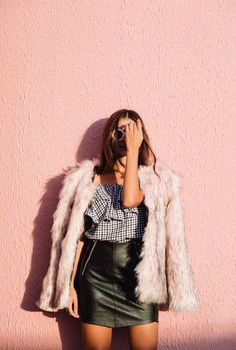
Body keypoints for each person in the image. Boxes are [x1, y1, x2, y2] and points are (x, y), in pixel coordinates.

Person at [36, 109, 200, 350]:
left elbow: (130, 199)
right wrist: (71, 285)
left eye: (132, 131)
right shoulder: (89, 179)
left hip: (138, 277)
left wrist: (133, 151)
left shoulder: (154, 178)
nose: (126, 136)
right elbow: (79, 237)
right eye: (120, 131)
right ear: (111, 137)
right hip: (95, 275)